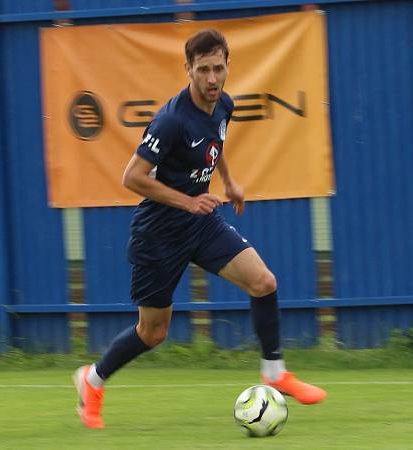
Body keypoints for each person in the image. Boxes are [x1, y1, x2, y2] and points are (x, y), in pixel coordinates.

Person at [73, 29, 327, 429]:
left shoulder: (222, 103)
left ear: (228, 67)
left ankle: (275, 373)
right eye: (203, 70)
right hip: (158, 232)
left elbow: (216, 143)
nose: (212, 78)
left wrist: (228, 182)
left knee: (263, 282)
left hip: (201, 223)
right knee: (153, 332)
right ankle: (91, 380)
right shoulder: (171, 120)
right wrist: (189, 200)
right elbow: (132, 177)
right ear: (188, 68)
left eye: (219, 69)